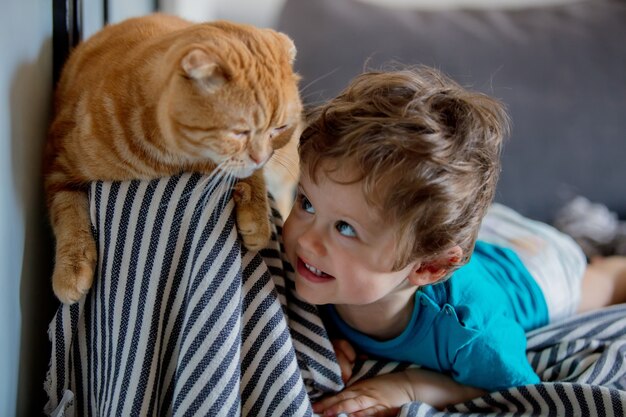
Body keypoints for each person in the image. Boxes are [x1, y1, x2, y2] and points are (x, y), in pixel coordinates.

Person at [280, 66, 626, 416]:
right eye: (306, 203)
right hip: (474, 235)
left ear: (428, 267)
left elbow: (518, 390)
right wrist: (322, 343)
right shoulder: (312, 266)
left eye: (346, 228)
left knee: (604, 282)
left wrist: (407, 385)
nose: (307, 240)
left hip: (535, 267)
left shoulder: (472, 331)